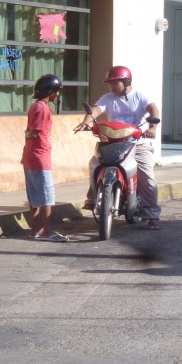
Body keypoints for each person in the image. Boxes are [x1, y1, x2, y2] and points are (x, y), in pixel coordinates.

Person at [74, 66, 162, 230]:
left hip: (138, 143)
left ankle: (152, 214)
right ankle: (92, 197)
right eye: (110, 83)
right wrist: (86, 122)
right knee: (95, 164)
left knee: (147, 178)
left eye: (115, 83)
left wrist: (152, 127)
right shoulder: (107, 98)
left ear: (126, 82)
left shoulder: (139, 95)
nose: (112, 86)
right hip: (113, 142)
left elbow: (153, 109)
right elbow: (95, 110)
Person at [22, 75, 69, 242]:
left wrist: (28, 135)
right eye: (57, 91)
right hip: (40, 157)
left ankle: (36, 230)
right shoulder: (43, 108)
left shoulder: (35, 106)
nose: (58, 95)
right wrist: (30, 135)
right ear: (50, 92)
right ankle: (47, 231)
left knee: (34, 195)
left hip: (30, 156)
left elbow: (29, 132)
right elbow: (34, 132)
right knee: (46, 196)